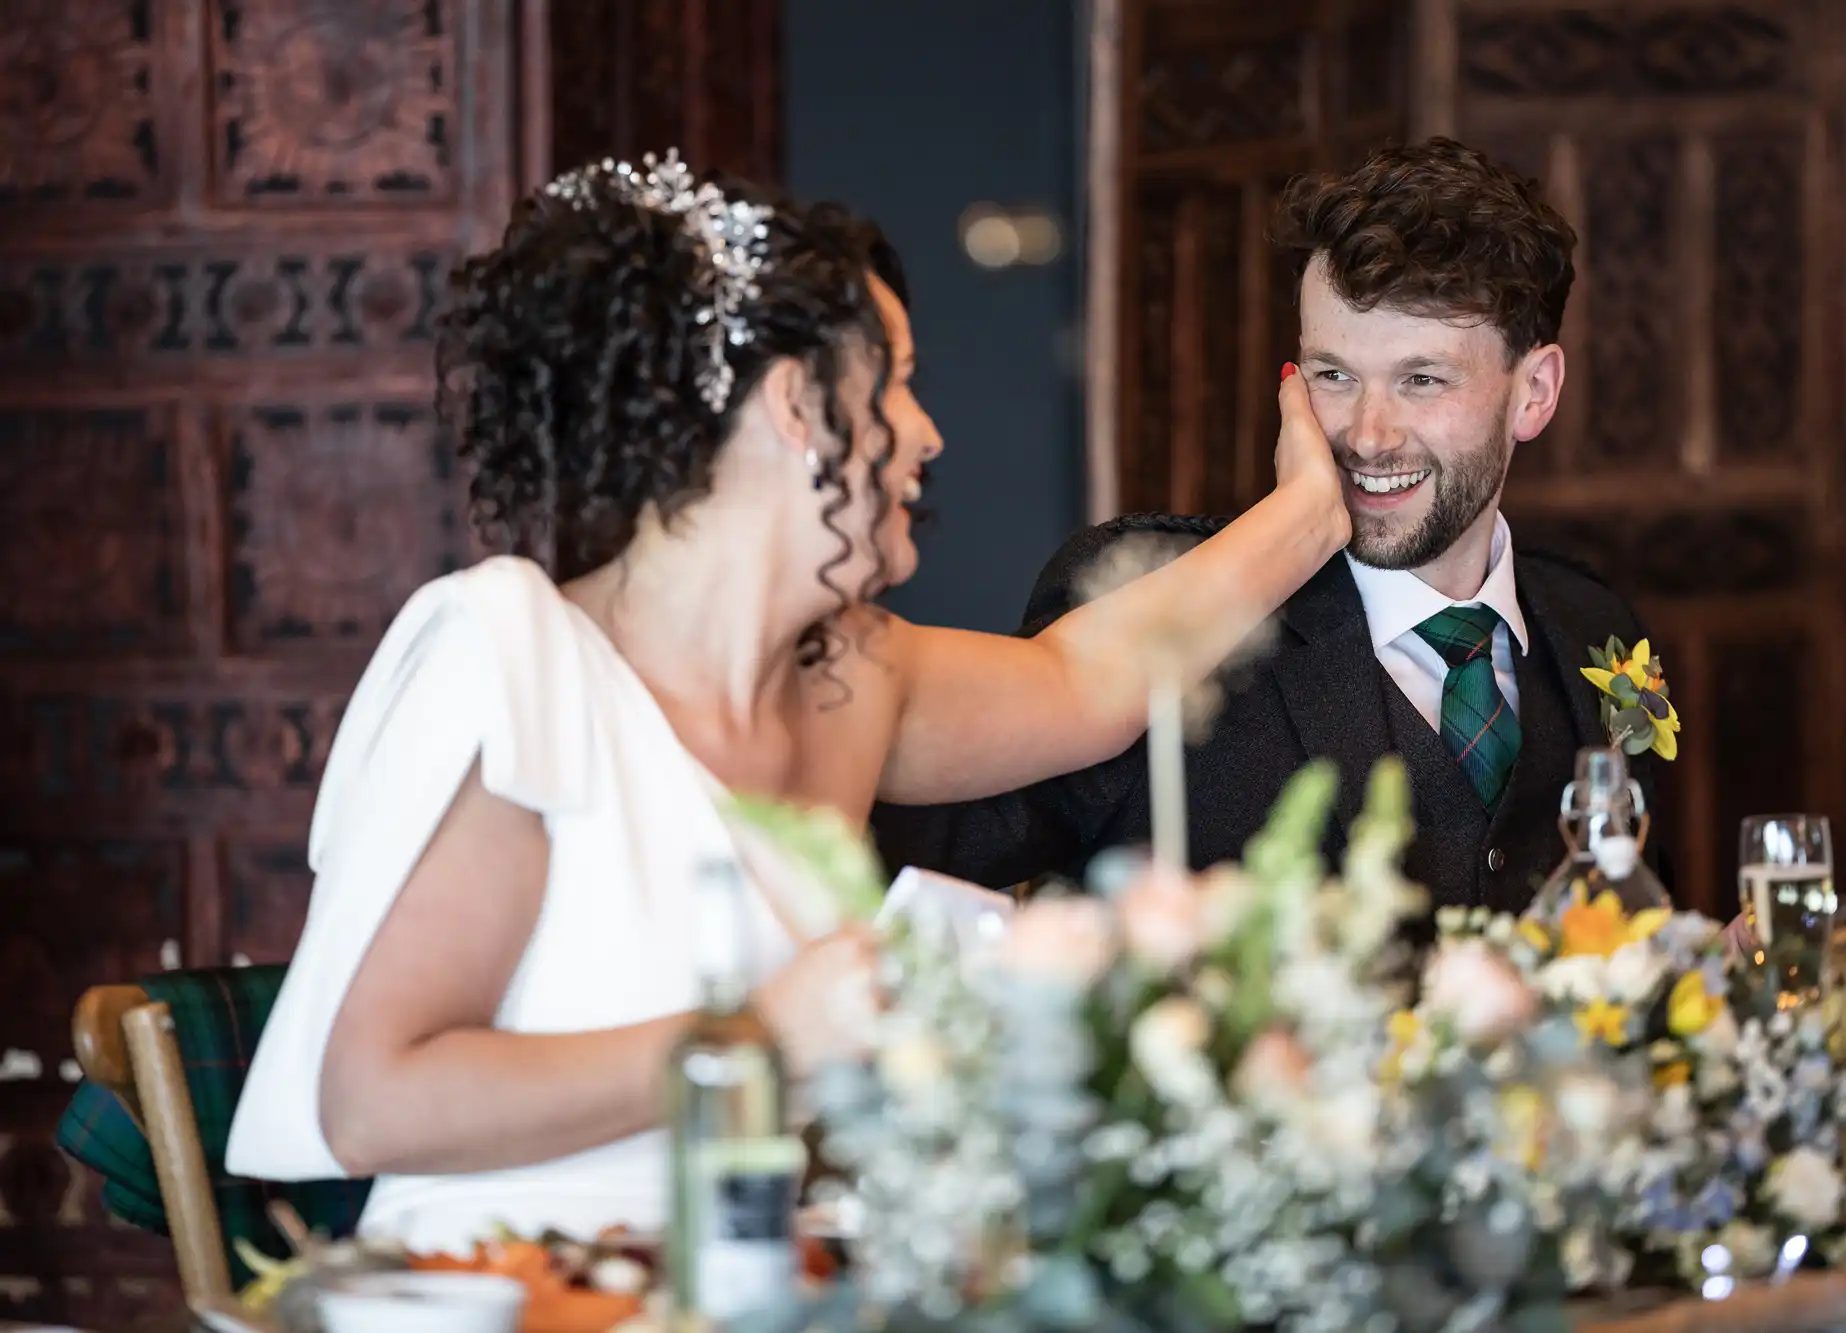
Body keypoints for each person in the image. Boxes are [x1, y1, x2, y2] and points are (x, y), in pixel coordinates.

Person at [224, 153, 1346, 1250]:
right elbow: (371, 1100)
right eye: (897, 380)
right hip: (506, 1283)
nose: (927, 433)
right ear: (796, 405)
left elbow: (1089, 677)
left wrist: (1310, 513)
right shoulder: (518, 662)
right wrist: (756, 1040)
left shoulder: (846, 673)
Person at [873, 137, 1669, 913]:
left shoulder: (1593, 626)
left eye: (1421, 380)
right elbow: (893, 871)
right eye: (1333, 375)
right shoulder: (1149, 605)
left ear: (1534, 392)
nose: (1368, 432)